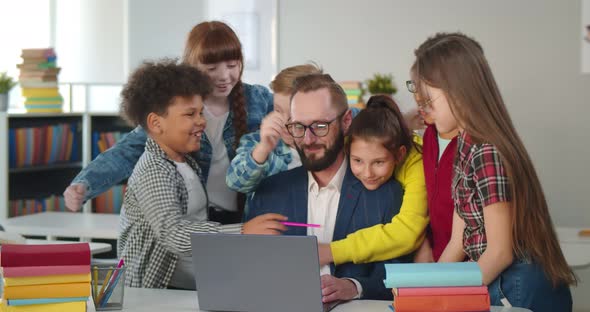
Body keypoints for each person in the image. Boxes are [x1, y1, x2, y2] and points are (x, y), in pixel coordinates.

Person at [412, 32, 575, 311]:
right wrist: (425, 292)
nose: (422, 107)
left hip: (518, 288)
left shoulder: (486, 151)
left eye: (428, 98)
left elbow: (500, 252)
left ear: (458, 90)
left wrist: (440, 300)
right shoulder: (463, 144)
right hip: (497, 281)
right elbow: (458, 240)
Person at [63, 21, 273, 224]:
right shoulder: (175, 106)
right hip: (194, 219)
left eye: (232, 65)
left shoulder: (258, 99)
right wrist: (85, 183)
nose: (224, 76)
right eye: (211, 68)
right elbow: (127, 150)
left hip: (248, 217)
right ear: (191, 67)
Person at [116, 59, 286, 289]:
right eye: (190, 114)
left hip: (190, 285)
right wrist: (243, 230)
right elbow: (175, 234)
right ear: (156, 123)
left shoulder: (186, 163)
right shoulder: (154, 170)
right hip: (155, 292)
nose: (201, 122)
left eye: (201, 112)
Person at [247, 74, 411, 303]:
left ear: (346, 122)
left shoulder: (386, 193)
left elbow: (401, 275)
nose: (308, 139)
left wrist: (354, 287)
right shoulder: (270, 191)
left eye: (320, 126)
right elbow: (251, 274)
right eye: (298, 127)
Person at [226, 63, 323, 194]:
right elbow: (235, 182)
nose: (283, 122)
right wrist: (263, 148)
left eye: (294, 115)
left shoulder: (325, 142)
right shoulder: (256, 141)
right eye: (277, 110)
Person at [407, 66, 459, 263]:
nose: (418, 97)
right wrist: (424, 243)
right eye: (414, 87)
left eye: (427, 96)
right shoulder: (429, 135)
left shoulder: (473, 147)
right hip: (434, 257)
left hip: (466, 267)